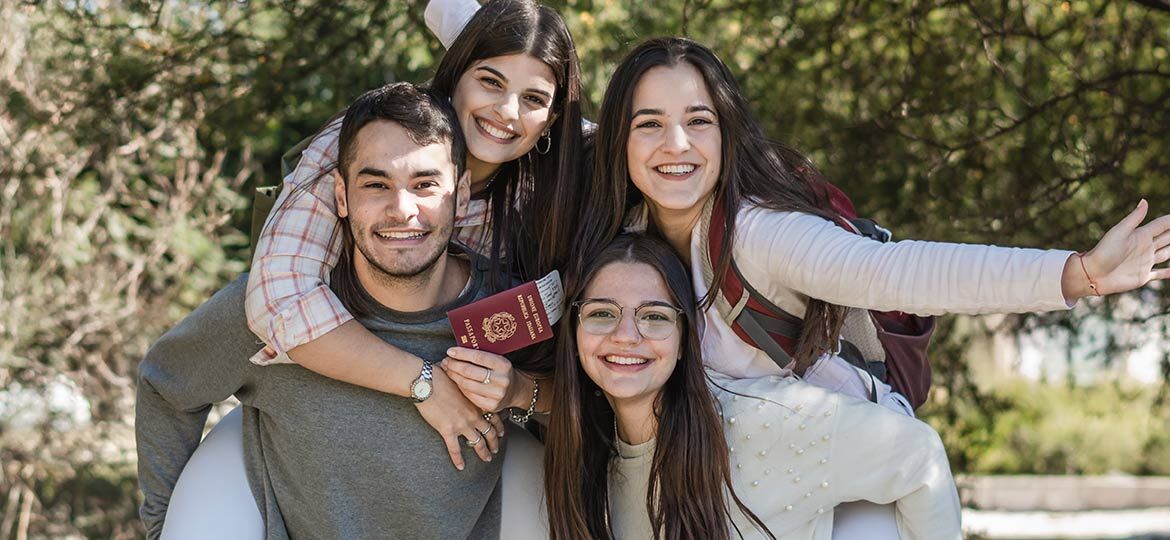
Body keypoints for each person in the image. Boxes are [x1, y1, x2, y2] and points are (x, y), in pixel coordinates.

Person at [577, 36, 1170, 538]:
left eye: (698, 121)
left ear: (727, 132)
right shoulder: (623, 243)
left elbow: (898, 271)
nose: (675, 144)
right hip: (728, 475)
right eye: (648, 123)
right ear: (620, 142)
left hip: (854, 471)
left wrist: (1076, 274)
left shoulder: (759, 235)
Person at [137, 83, 521, 539]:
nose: (402, 210)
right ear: (341, 196)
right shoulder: (272, 312)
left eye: (425, 185)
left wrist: (521, 388)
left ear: (460, 196)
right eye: (376, 185)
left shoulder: (508, 307)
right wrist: (164, 525)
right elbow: (166, 387)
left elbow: (580, 407)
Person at [243, 0, 588, 446]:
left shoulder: (546, 177)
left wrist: (522, 390)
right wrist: (422, 382)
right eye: (489, 82)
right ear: (455, 75)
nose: (507, 111)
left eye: (533, 100)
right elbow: (277, 299)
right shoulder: (374, 138)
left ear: (552, 119)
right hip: (335, 412)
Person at [544, 233, 962, 539]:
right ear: (575, 330)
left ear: (685, 338)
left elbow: (917, 454)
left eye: (654, 316)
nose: (626, 335)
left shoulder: (758, 419)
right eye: (602, 314)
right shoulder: (585, 453)